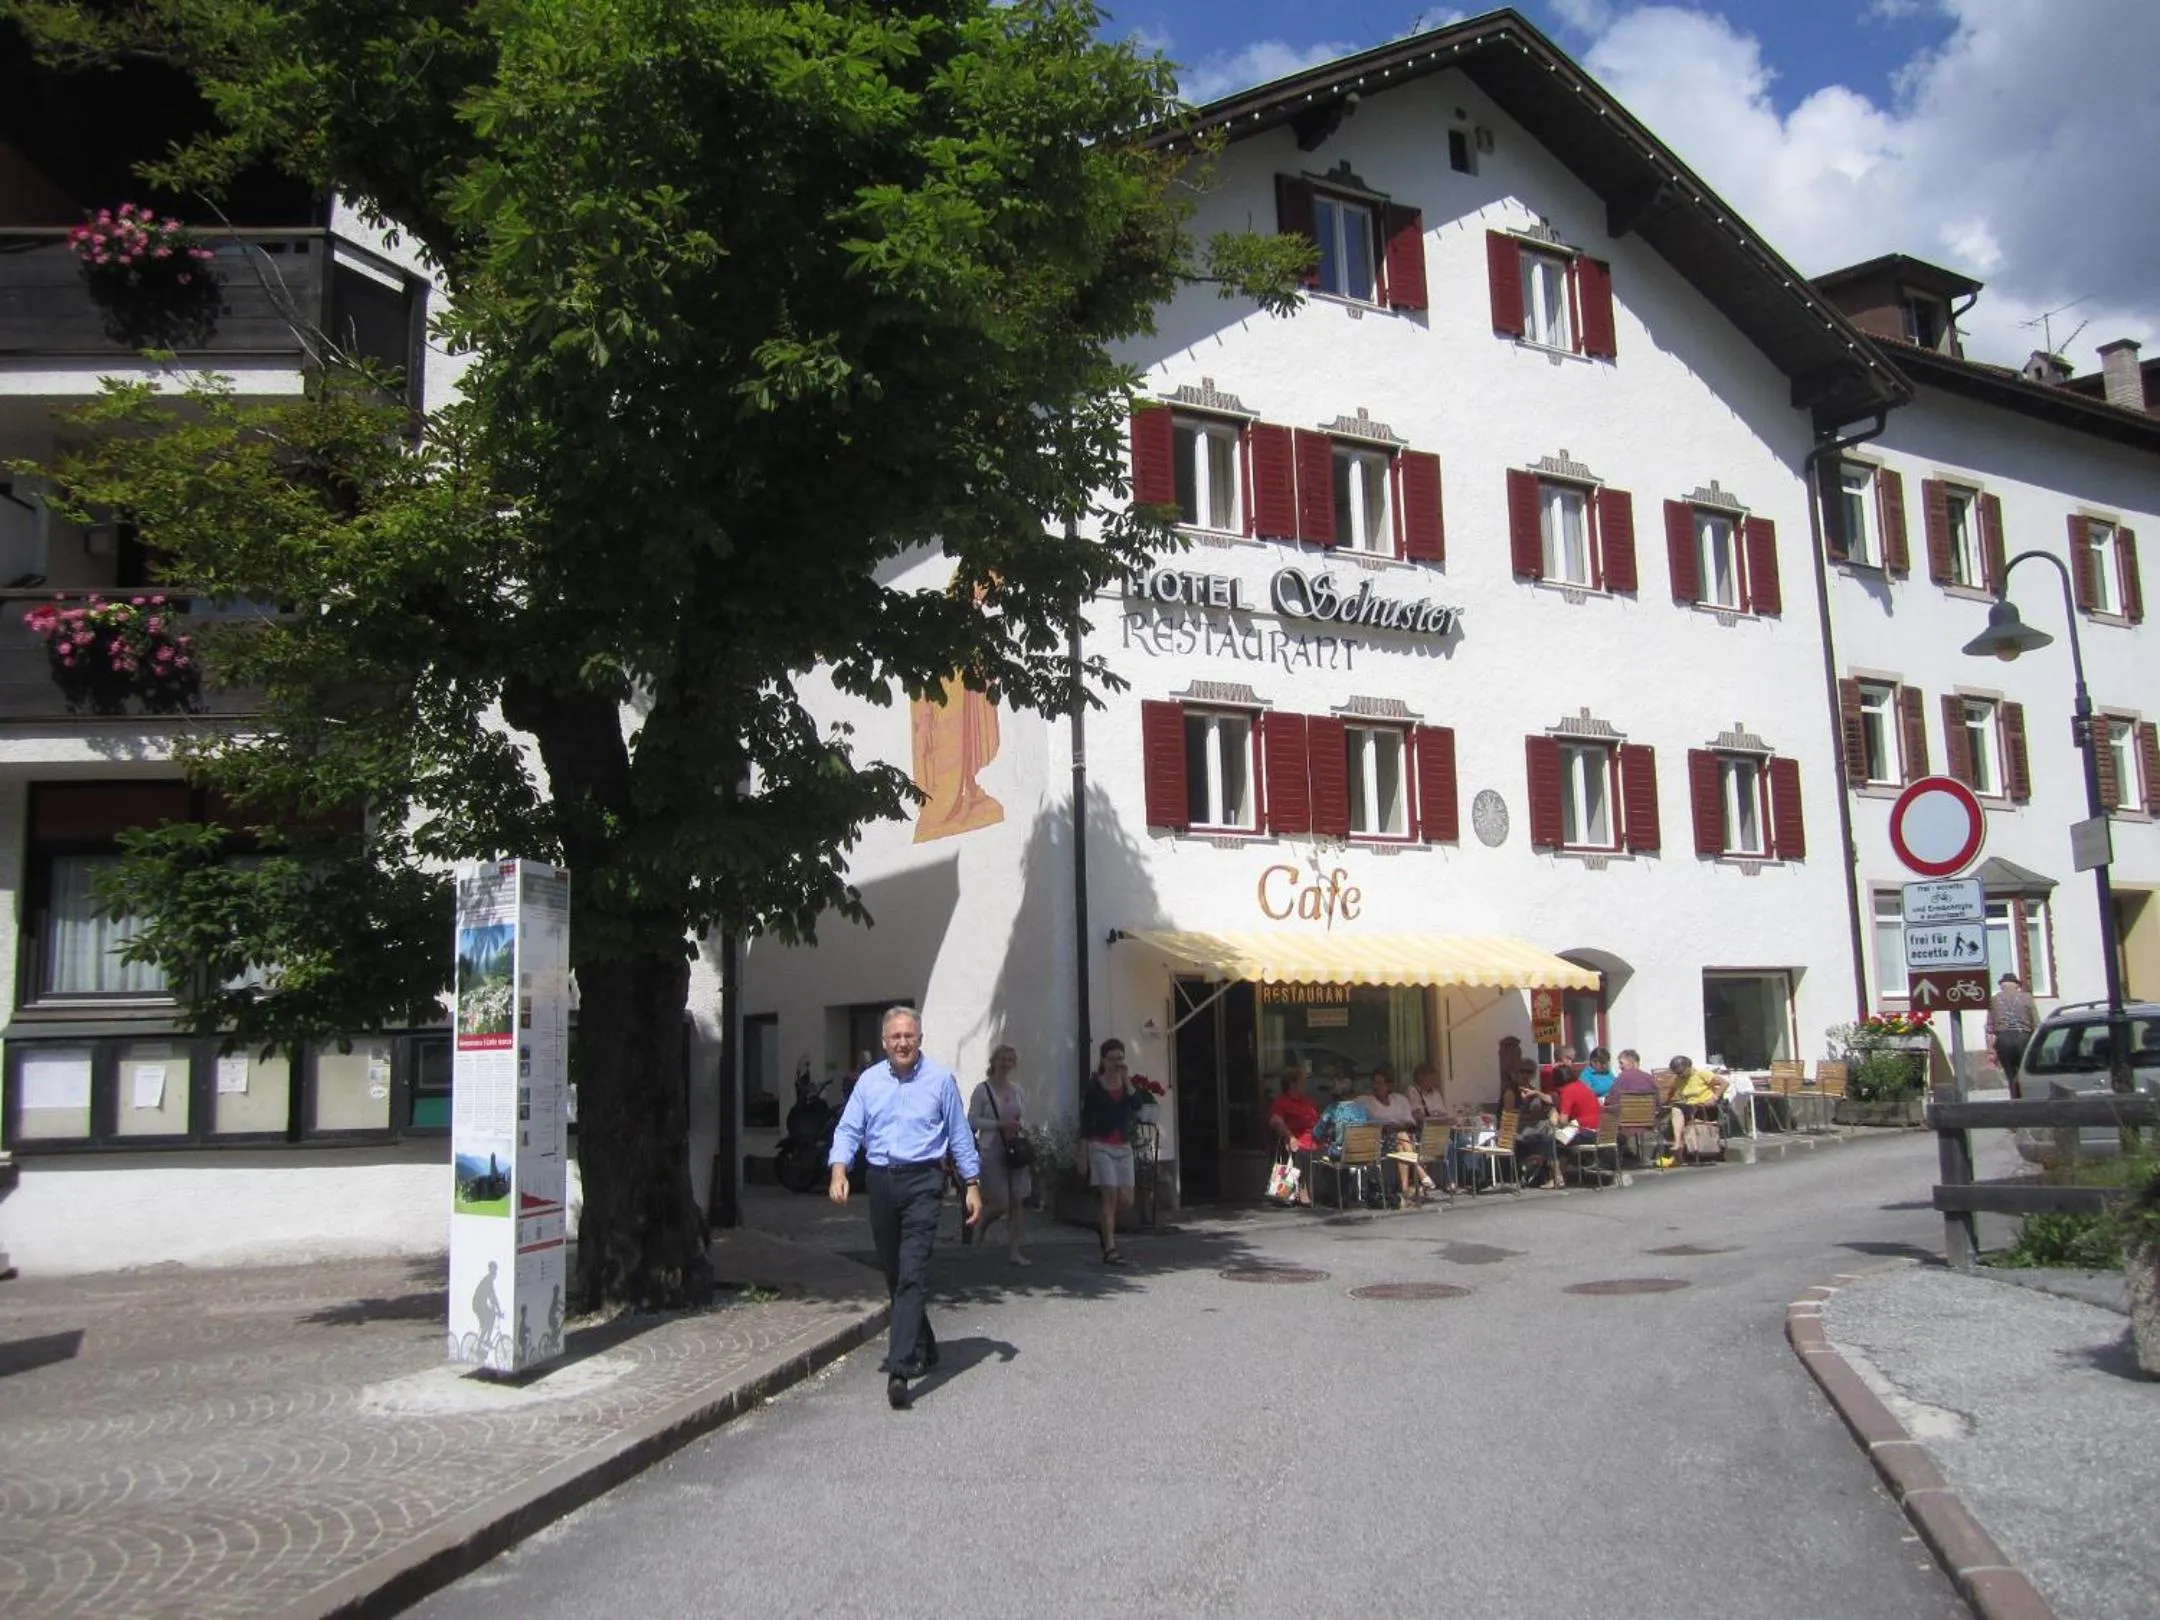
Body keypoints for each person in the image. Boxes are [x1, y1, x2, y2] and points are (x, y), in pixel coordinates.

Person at [828, 1006, 981, 1410]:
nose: (902, 1043)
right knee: (896, 1274)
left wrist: (972, 1185)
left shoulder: (940, 1081)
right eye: (895, 1037)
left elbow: (959, 1135)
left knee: (912, 1273)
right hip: (881, 1181)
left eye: (908, 1036)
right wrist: (839, 1169)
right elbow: (849, 1128)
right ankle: (925, 1344)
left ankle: (900, 1369)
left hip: (924, 1182)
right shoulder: (869, 1082)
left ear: (920, 1040)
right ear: (884, 1042)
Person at [1080, 1038, 1148, 1265]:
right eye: (1112, 1059)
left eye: (1120, 1058)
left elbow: (1137, 1106)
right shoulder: (1094, 1086)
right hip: (1101, 1145)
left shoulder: (1126, 1084)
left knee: (1126, 1200)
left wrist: (1127, 1081)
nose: (1117, 1063)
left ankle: (1104, 1224)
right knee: (1110, 1195)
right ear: (1103, 1060)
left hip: (1123, 1146)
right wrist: (1083, 1152)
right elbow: (1086, 1120)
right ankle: (1110, 1248)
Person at [967, 1043, 1032, 1266]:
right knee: (1001, 1203)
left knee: (1017, 1201)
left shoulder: (1017, 1090)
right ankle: (981, 1224)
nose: (1005, 1064)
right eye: (1002, 1059)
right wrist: (998, 1124)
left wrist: (1020, 1126)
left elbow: (1024, 1117)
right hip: (992, 1149)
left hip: (1014, 1149)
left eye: (1010, 1060)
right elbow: (972, 1121)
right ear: (993, 1062)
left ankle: (1014, 1251)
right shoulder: (982, 1090)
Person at [1360, 1066, 1435, 1204]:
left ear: (1388, 1085)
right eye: (1375, 1083)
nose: (1377, 1086)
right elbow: (1362, 1121)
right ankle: (1420, 1172)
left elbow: (1410, 1121)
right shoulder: (1366, 1101)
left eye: (1380, 1083)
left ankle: (1405, 1190)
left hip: (1400, 1140)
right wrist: (1384, 1127)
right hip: (1379, 1142)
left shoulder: (1399, 1100)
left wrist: (1397, 1126)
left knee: (1401, 1143)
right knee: (1401, 1139)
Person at [1268, 1065, 1320, 1206]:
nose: (1306, 1085)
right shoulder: (1282, 1102)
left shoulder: (1308, 1102)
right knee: (1301, 1151)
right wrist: (1290, 1137)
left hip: (1315, 1140)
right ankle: (1301, 1190)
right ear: (1293, 1084)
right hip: (1297, 1141)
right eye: (1303, 1082)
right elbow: (1275, 1121)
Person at [1664, 1054, 1724, 1167]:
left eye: (1681, 1072)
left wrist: (1714, 1098)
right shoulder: (1679, 1079)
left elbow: (1724, 1083)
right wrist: (1666, 1102)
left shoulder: (1701, 1073)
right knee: (1675, 1108)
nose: (1680, 1075)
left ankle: (1678, 1146)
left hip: (1705, 1107)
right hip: (1690, 1107)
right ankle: (1678, 1143)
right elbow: (1672, 1092)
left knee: (1679, 1110)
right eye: (1677, 1073)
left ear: (1688, 1067)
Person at [1550, 1066, 1603, 1184]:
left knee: (1553, 1141)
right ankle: (1566, 1172)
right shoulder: (1581, 1086)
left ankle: (1557, 1178)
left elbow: (1563, 1121)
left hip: (1587, 1131)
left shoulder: (1567, 1091)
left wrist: (1553, 1115)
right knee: (1562, 1140)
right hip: (1601, 1131)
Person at [1987, 973, 2039, 1094]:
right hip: (2023, 1037)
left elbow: (1989, 1027)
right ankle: (2026, 1096)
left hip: (2003, 1038)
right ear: (2017, 986)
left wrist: (1990, 1050)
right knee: (2024, 1071)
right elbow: (2036, 1022)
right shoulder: (2027, 998)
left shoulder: (1994, 1000)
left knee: (2010, 1074)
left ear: (2002, 986)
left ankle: (2014, 1096)